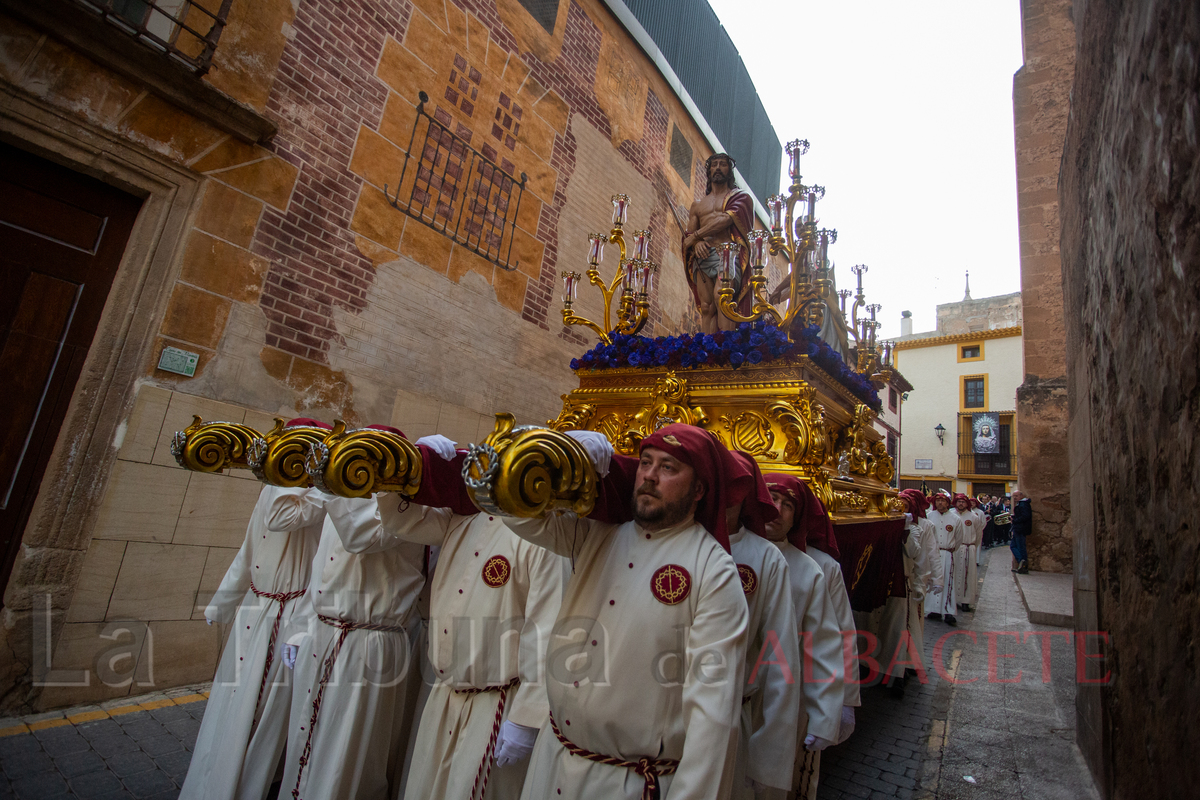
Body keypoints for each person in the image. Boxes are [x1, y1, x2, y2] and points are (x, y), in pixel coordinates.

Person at [500, 423, 751, 800]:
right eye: (645, 462)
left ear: (699, 489)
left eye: (669, 467)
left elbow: (713, 718)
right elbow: (516, 514)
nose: (649, 475)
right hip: (552, 760)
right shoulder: (596, 535)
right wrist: (563, 455)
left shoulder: (712, 570)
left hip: (629, 783)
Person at [338, 432, 567, 800]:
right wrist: (402, 470)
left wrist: (526, 718)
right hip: (445, 694)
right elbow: (404, 522)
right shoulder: (463, 518)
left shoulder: (542, 539)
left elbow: (546, 631)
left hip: (496, 703)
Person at [278, 426, 443, 800]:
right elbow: (324, 569)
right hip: (324, 634)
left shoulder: (408, 509)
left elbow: (360, 535)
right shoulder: (347, 497)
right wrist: (301, 627)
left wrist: (328, 482)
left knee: (348, 757)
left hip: (369, 644)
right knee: (306, 741)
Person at [182, 419, 331, 800]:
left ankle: (250, 783)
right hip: (256, 607)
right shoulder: (275, 488)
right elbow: (248, 551)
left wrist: (324, 486)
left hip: (290, 612)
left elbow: (284, 517)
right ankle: (214, 776)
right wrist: (224, 602)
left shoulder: (323, 497)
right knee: (232, 697)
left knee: (266, 708)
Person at [760, 473, 846, 800]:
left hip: (785, 694)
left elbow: (824, 648)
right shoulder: (724, 553)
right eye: (771, 498)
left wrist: (827, 715)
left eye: (788, 505)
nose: (777, 509)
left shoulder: (810, 570)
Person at [723, 453, 802, 799]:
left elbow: (781, 659)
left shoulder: (767, 558)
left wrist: (769, 759)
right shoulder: (676, 544)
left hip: (731, 717)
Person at [683, 153, 755, 333]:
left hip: (728, 255)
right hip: (703, 257)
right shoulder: (697, 205)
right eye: (713, 165)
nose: (717, 168)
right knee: (707, 307)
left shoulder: (740, 198)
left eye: (722, 164)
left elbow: (725, 219)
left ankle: (726, 350)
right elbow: (689, 236)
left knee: (722, 298)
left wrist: (697, 235)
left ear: (729, 171)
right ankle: (709, 350)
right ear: (708, 171)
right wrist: (696, 242)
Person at [898, 489, 939, 678]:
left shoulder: (923, 526)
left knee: (914, 623)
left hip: (913, 579)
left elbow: (929, 554)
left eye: (907, 505)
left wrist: (926, 580)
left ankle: (912, 662)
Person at [923, 493, 964, 625]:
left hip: (947, 553)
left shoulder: (955, 519)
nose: (940, 503)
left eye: (943, 500)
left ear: (948, 503)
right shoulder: (929, 516)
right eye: (938, 500)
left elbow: (959, 538)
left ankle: (948, 611)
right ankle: (933, 610)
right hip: (932, 553)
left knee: (947, 581)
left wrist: (950, 548)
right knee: (932, 581)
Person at [952, 494, 979, 612]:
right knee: (955, 573)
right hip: (955, 549)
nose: (961, 504)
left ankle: (966, 601)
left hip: (969, 548)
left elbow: (978, 534)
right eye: (959, 502)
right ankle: (955, 599)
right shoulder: (952, 515)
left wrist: (972, 546)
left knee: (968, 575)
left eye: (963, 502)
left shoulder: (973, 517)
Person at [1011, 489, 1032, 574]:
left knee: (1019, 547)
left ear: (1021, 496)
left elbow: (1025, 516)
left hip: (1020, 528)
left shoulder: (1023, 504)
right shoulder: (1021, 504)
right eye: (1014, 496)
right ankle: (1022, 563)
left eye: (1016, 496)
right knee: (1014, 546)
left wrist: (1015, 520)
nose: (1015, 498)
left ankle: (1022, 563)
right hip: (1019, 528)